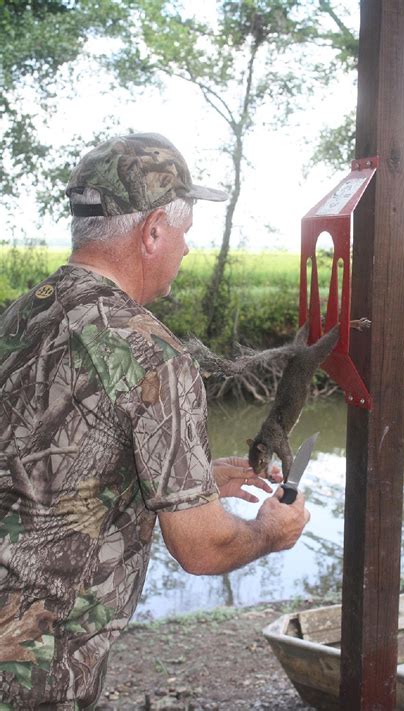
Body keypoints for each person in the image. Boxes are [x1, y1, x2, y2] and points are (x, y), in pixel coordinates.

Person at [0, 132, 310, 709]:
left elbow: (40, 469)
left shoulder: (21, 315)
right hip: (38, 671)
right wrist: (271, 531)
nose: (187, 250)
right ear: (152, 232)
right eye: (186, 233)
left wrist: (186, 478)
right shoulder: (154, 356)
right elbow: (202, 548)